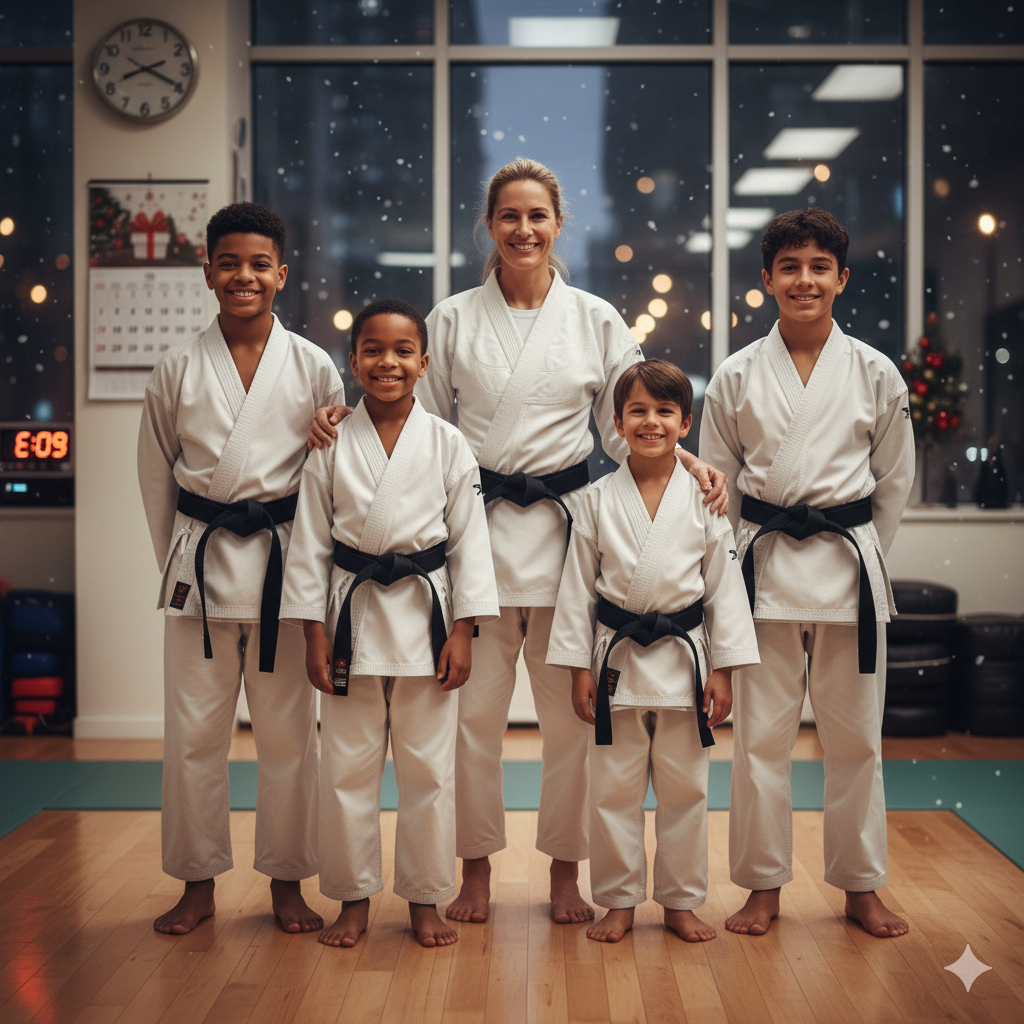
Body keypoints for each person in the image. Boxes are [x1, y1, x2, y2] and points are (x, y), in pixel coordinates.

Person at [310, 158, 727, 925]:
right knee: (472, 725)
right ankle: (474, 871)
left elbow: (637, 419)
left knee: (571, 725)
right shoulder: (454, 318)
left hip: (569, 541)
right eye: (510, 216)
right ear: (490, 226)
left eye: (538, 217)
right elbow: (415, 426)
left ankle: (566, 872)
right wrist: (340, 417)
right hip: (473, 542)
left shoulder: (596, 318)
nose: (524, 230)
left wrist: (690, 458)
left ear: (558, 225)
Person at [699, 208, 915, 939]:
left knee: (856, 741)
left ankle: (860, 885)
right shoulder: (734, 376)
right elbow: (715, 494)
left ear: (842, 279)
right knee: (762, 740)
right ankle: (763, 886)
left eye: (819, 267)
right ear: (766, 280)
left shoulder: (876, 372)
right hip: (762, 574)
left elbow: (893, 484)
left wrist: (864, 554)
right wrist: (724, 582)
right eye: (789, 267)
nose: (804, 280)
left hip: (849, 574)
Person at [138, 201, 344, 935]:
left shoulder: (315, 366)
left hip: (285, 577)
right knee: (193, 739)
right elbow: (157, 478)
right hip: (199, 571)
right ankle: (197, 882)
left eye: (259, 264)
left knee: (290, 739)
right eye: (229, 262)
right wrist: (177, 559)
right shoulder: (176, 368)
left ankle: (287, 881)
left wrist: (318, 584)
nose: (244, 276)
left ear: (282, 275)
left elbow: (331, 480)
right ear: (207, 272)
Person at [281, 298, 499, 948]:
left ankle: (425, 899)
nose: (388, 362)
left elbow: (470, 544)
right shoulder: (329, 445)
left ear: (424, 363)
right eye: (373, 350)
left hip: (427, 624)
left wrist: (464, 629)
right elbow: (309, 542)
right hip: (349, 623)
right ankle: (353, 898)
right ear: (353, 361)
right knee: (346, 771)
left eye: (404, 351)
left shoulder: (449, 443)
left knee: (430, 773)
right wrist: (312, 631)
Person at [547, 360, 759, 943]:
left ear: (685, 423)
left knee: (686, 791)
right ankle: (618, 901)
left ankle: (680, 902)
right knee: (612, 792)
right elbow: (575, 591)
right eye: (637, 411)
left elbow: (723, 589)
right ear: (616, 423)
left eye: (665, 411)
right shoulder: (593, 500)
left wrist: (724, 670)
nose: (651, 422)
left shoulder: (707, 501)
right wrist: (576, 670)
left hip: (686, 664)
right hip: (614, 664)